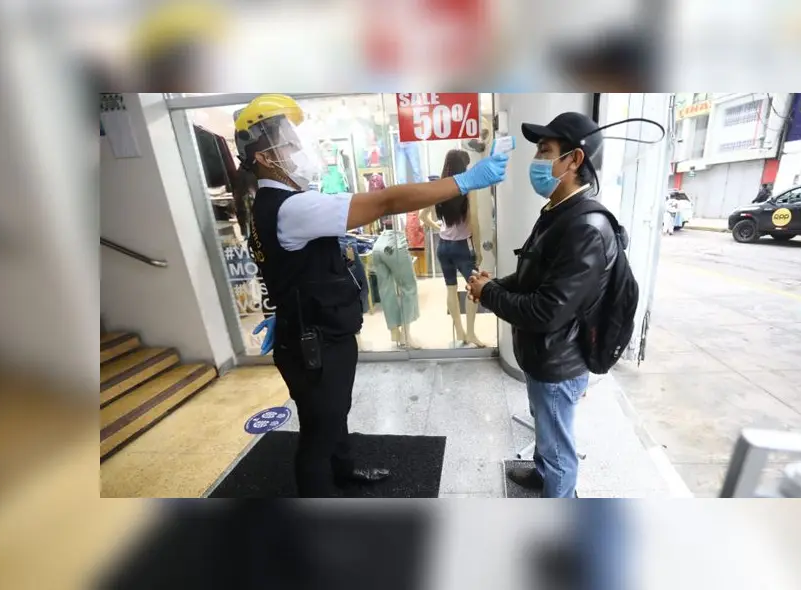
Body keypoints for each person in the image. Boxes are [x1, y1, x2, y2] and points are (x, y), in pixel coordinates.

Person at [236, 94, 509, 497]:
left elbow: (282, 265)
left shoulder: (272, 204)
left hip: (313, 332)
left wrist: (289, 307)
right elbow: (386, 201)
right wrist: (462, 182)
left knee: (332, 416)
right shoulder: (292, 207)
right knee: (318, 432)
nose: (299, 150)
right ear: (265, 157)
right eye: (289, 142)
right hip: (315, 343)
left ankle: (344, 472)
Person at [466, 112, 619, 498]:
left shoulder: (585, 228)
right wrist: (493, 285)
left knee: (557, 447)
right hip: (544, 356)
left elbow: (546, 310)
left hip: (559, 362)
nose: (537, 160)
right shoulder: (558, 211)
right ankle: (540, 472)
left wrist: (489, 294)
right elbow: (534, 276)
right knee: (544, 428)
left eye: (545, 151)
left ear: (574, 160)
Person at [423, 149, 487, 347]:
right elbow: (474, 221)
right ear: (463, 167)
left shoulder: (438, 188)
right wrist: (478, 249)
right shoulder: (468, 187)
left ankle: (459, 332)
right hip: (462, 247)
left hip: (443, 247)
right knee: (473, 289)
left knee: (451, 289)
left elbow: (423, 217)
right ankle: (471, 334)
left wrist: (440, 228)